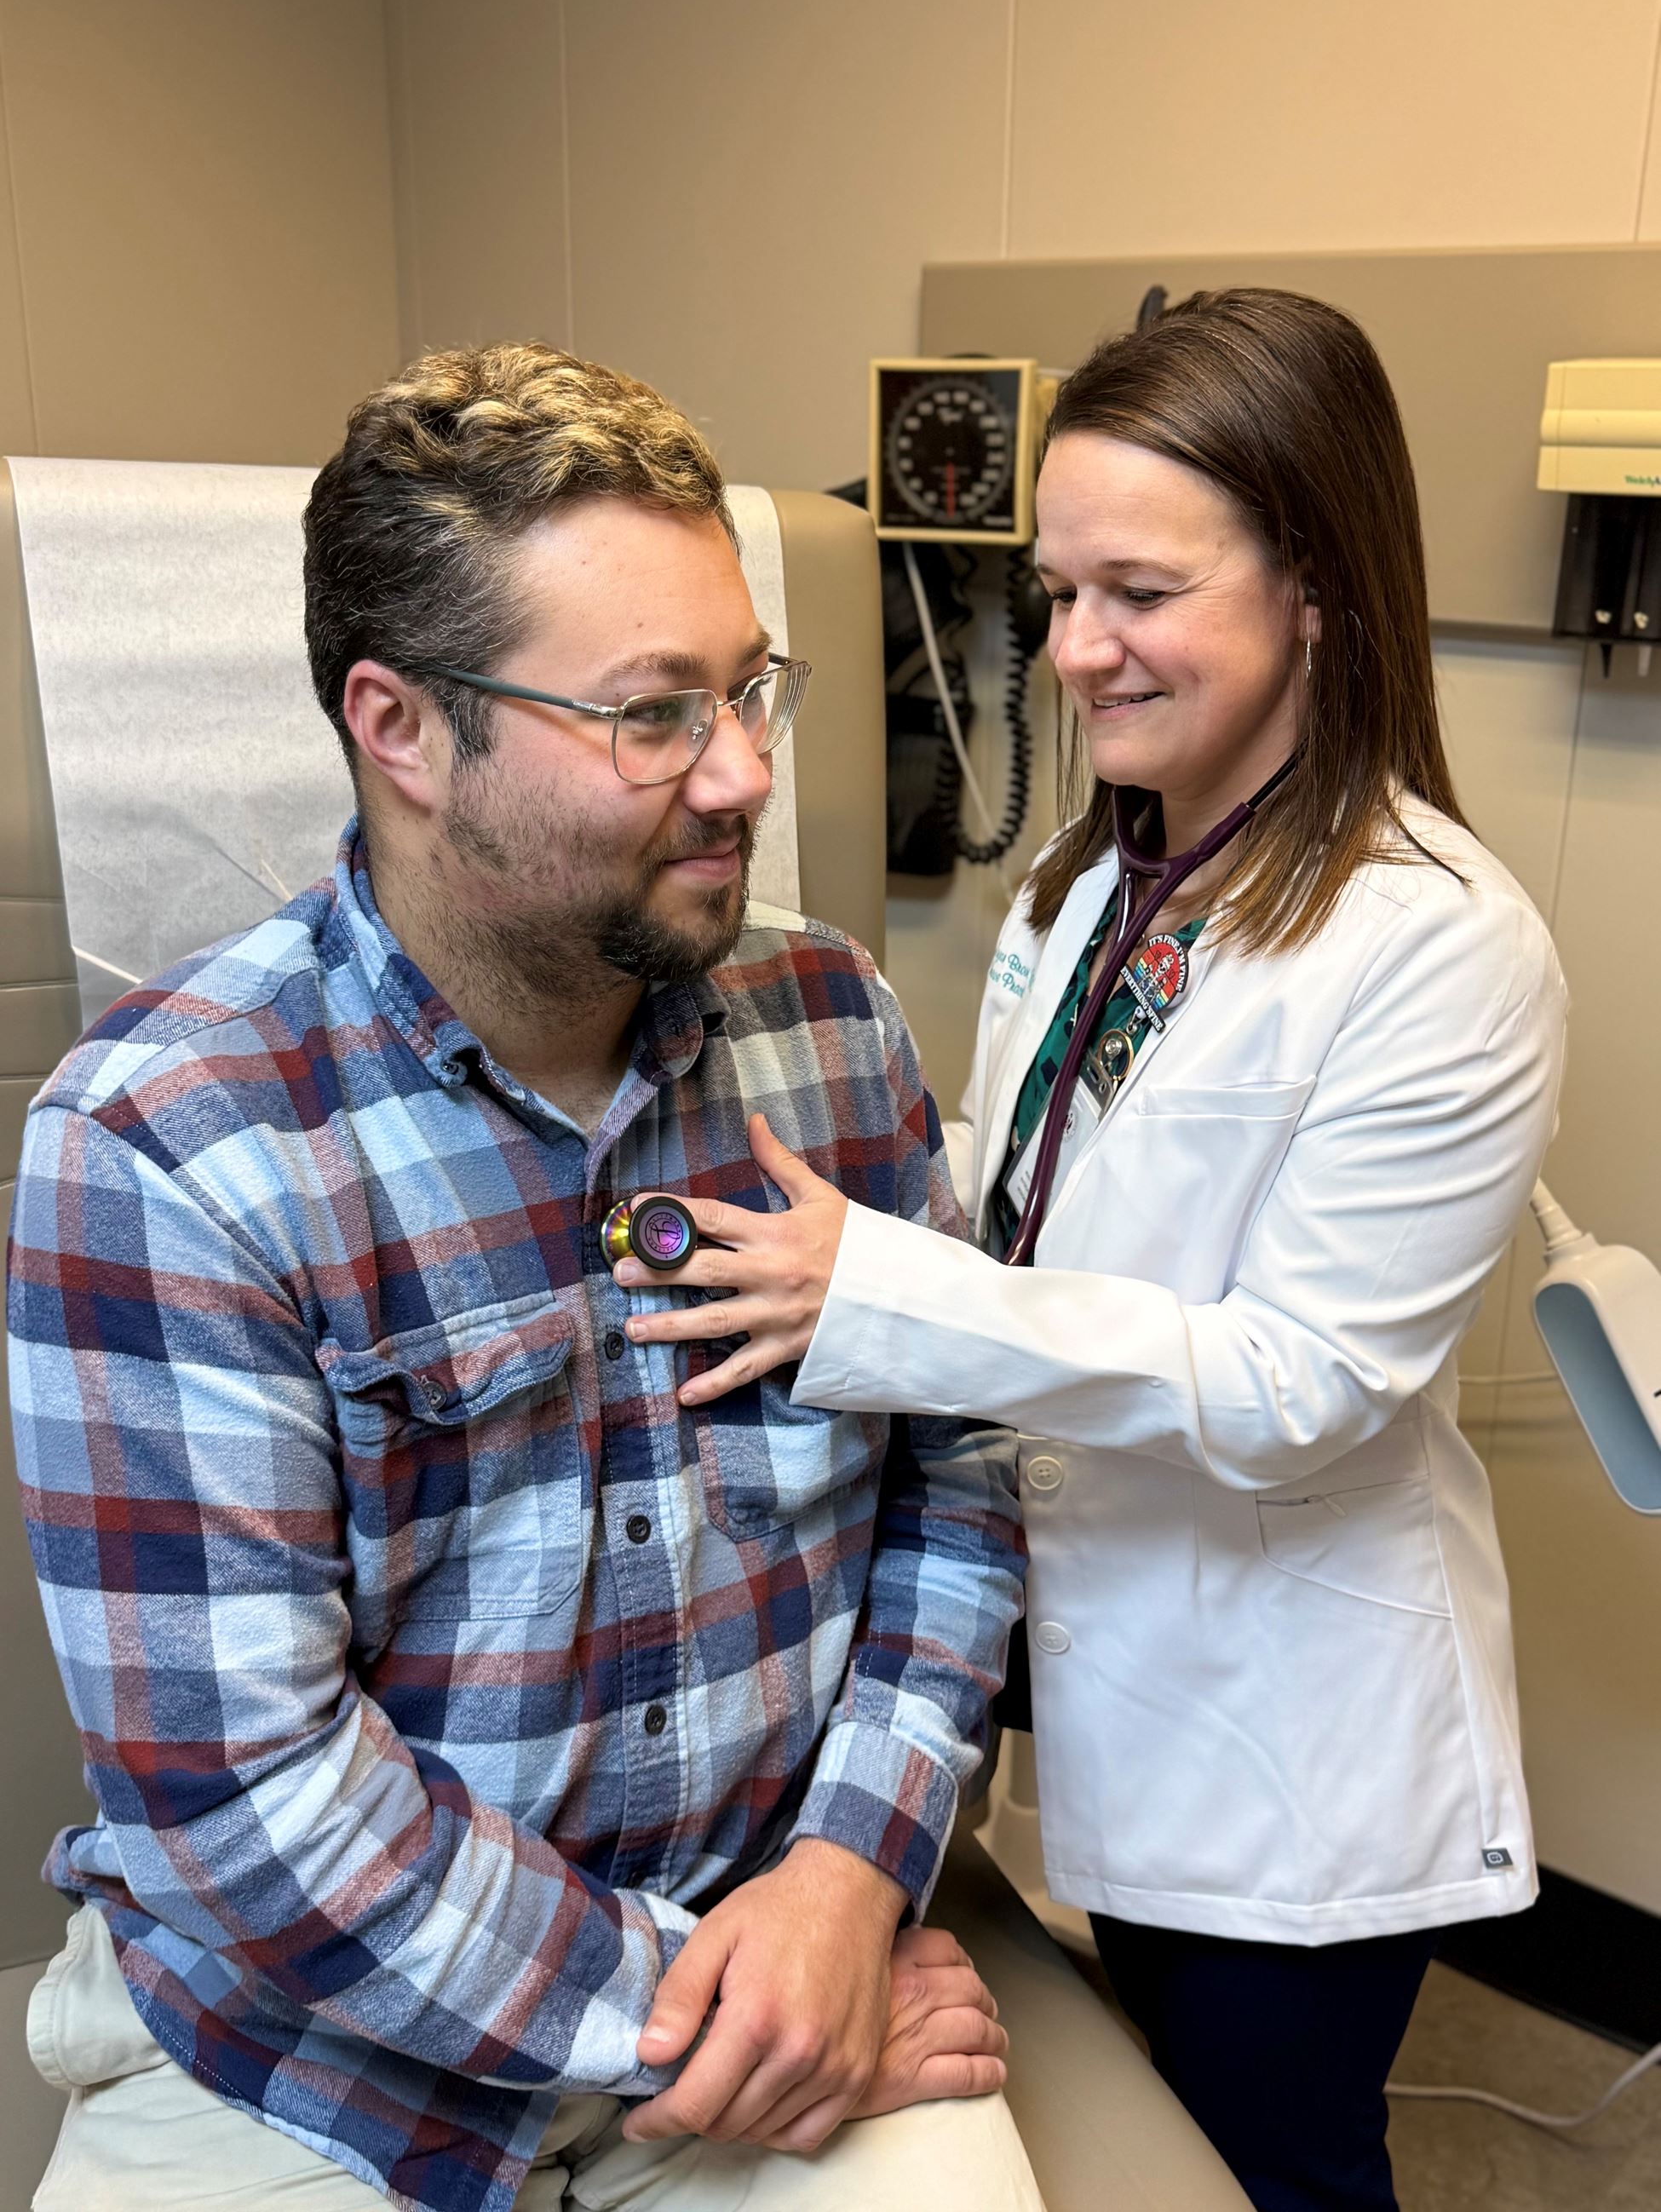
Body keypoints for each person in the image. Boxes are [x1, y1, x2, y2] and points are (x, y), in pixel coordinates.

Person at [6, 344, 1040, 2212]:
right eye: (655, 715)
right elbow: (248, 1801)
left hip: (783, 1935)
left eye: (748, 689)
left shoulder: (830, 1029)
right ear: (402, 728)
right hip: (311, 2050)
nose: (742, 773)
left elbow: (953, 1480)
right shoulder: (164, 1148)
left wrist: (847, 1882)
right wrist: (715, 2016)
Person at [610, 290, 1570, 2212]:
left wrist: (870, 1292)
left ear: (1315, 581)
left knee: (1270, 2160)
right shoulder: (1101, 876)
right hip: (1102, 1647)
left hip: (1285, 1738)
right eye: (1056, 592)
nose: (1071, 651)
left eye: (1137, 588)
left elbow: (1306, 1384)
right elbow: (1033, 1192)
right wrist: (843, 1197)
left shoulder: (1442, 946)